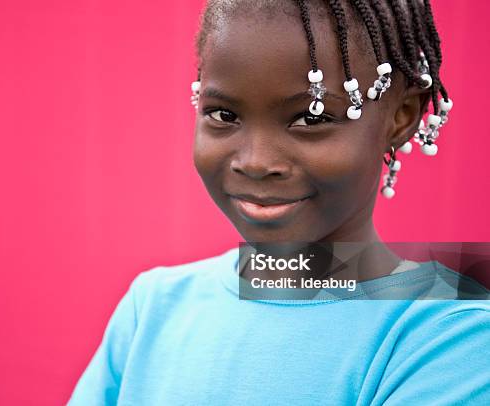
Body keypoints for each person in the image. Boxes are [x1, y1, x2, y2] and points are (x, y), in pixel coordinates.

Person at [68, 0, 490, 404]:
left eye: (311, 117)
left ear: (401, 116)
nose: (256, 162)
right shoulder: (153, 308)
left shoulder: (451, 331)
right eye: (224, 115)